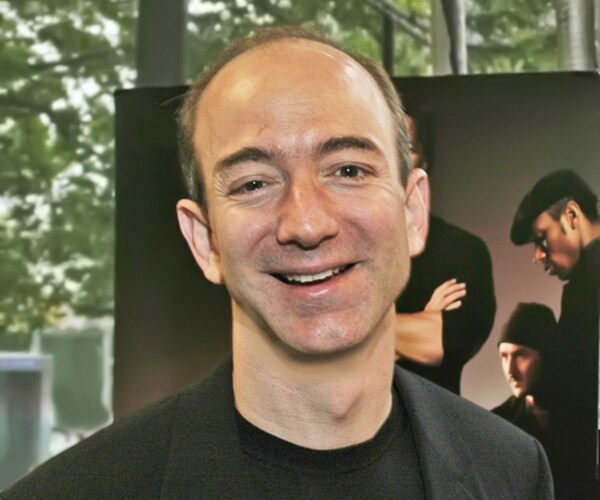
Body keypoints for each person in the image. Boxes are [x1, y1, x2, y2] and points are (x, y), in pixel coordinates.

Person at [6, 26, 552, 498]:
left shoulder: (512, 470)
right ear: (205, 240)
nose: (307, 224)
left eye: (349, 171)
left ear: (413, 212)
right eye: (254, 183)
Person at [395, 110, 496, 395]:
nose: (395, 158)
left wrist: (359, 332)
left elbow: (442, 343)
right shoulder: (344, 248)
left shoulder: (462, 250)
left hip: (429, 418)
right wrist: (416, 325)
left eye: (407, 148)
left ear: (425, 161)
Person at [511, 168, 600, 492]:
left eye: (541, 239)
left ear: (571, 215)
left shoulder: (590, 280)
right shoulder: (582, 283)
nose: (538, 256)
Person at [492, 303, 557, 469]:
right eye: (504, 356)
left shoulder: (582, 410)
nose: (510, 370)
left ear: (547, 355)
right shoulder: (497, 422)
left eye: (520, 355)